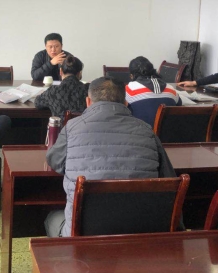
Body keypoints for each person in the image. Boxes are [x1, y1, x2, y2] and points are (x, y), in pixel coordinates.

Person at [44, 77, 177, 238]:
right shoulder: (147, 130)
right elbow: (169, 180)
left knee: (51, 218)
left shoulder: (72, 127)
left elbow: (55, 161)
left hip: (82, 235)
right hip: (139, 231)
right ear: (126, 103)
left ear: (88, 102)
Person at [125, 56, 181, 127]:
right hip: (168, 132)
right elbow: (179, 104)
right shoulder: (170, 89)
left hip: (141, 131)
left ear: (131, 76)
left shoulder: (130, 89)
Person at [34, 55, 88, 120]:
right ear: (79, 73)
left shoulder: (53, 91)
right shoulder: (88, 89)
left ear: (61, 71)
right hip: (85, 126)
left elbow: (37, 103)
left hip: (61, 126)